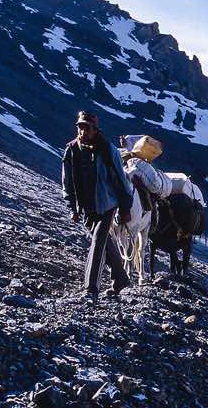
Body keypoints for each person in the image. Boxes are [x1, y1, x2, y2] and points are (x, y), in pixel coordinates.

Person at [62, 111, 133, 303]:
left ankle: (90, 288)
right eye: (80, 127)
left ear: (95, 130)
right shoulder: (71, 150)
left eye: (87, 127)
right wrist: (72, 209)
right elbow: (67, 184)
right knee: (104, 242)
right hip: (86, 207)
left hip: (106, 204)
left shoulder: (108, 150)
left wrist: (125, 208)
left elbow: (121, 181)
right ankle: (121, 279)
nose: (83, 131)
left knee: (98, 241)